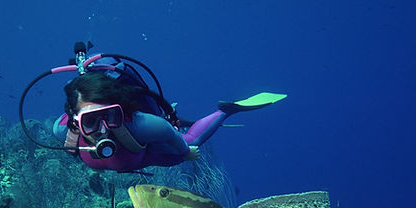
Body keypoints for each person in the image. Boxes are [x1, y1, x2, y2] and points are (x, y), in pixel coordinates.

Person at [52, 72, 286, 173]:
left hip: (147, 155)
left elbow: (171, 136)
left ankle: (227, 110)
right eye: (90, 121)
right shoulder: (63, 133)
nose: (103, 129)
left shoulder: (142, 126)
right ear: (74, 121)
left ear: (120, 111)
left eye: (110, 116)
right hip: (131, 160)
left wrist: (185, 151)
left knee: (189, 144)